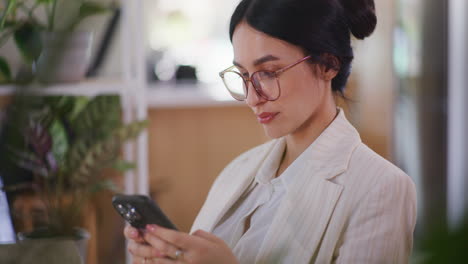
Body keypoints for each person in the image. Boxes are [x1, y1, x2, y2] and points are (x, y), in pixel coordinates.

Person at [124, 0, 417, 263]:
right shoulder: (239, 171)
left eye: (269, 73)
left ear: (328, 65)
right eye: (243, 75)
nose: (252, 98)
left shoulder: (382, 188)